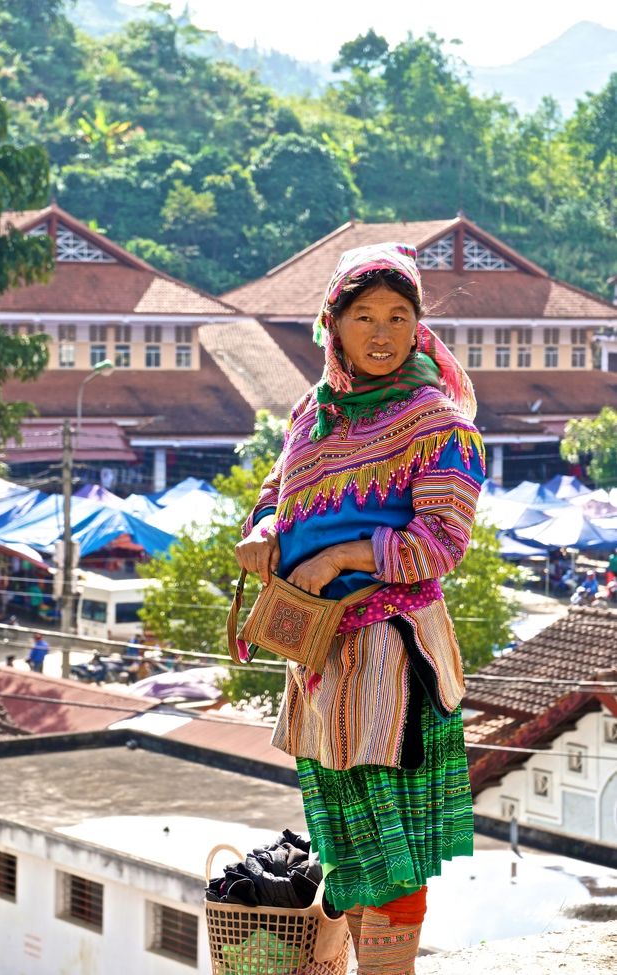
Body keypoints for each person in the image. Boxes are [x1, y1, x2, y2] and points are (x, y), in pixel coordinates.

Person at [234, 242, 486, 975]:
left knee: (393, 836)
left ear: (418, 327)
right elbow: (278, 493)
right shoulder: (311, 412)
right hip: (319, 657)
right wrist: (263, 530)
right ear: (332, 325)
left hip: (392, 657)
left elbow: (441, 542)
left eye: (399, 315)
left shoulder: (436, 422)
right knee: (344, 831)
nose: (381, 333)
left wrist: (341, 556)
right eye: (364, 315)